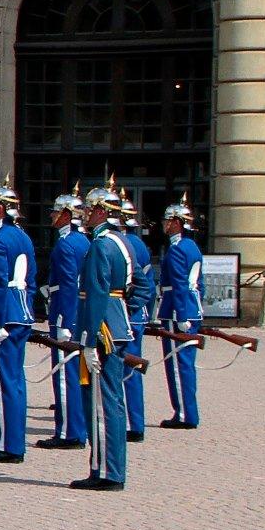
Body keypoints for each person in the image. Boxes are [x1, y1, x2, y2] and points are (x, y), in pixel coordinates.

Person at [73, 186, 136, 491]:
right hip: (118, 322)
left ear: (100, 211)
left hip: (102, 329)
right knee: (112, 399)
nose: (84, 214)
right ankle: (109, 467)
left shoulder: (100, 245)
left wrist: (87, 339)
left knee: (100, 402)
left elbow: (96, 293)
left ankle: (106, 470)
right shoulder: (123, 242)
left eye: (88, 209)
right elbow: (140, 286)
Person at [0, 186, 36, 462]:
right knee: (15, 380)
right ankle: (15, 441)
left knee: (2, 383)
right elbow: (32, 279)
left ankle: (7, 445)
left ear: (0, 207)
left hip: (4, 313)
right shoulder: (23, 237)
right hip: (21, 309)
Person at [41, 193, 91, 450]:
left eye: (56, 212)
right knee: (76, 375)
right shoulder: (84, 241)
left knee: (65, 376)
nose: (52, 215)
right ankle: (76, 427)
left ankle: (68, 431)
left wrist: (63, 321)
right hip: (78, 314)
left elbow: (69, 286)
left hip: (66, 313)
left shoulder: (67, 244)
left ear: (67, 215)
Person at [157, 201, 204, 429]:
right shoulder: (192, 247)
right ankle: (186, 411)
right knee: (185, 364)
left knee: (178, 365)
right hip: (190, 307)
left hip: (178, 311)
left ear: (177, 223)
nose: (164, 224)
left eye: (168, 220)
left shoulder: (176, 249)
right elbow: (198, 285)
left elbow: (178, 285)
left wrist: (181, 314)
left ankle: (184, 413)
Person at [119, 196, 156, 443]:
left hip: (128, 314)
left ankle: (133, 423)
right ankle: (133, 420)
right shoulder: (138, 243)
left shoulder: (123, 243)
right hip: (138, 314)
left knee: (126, 370)